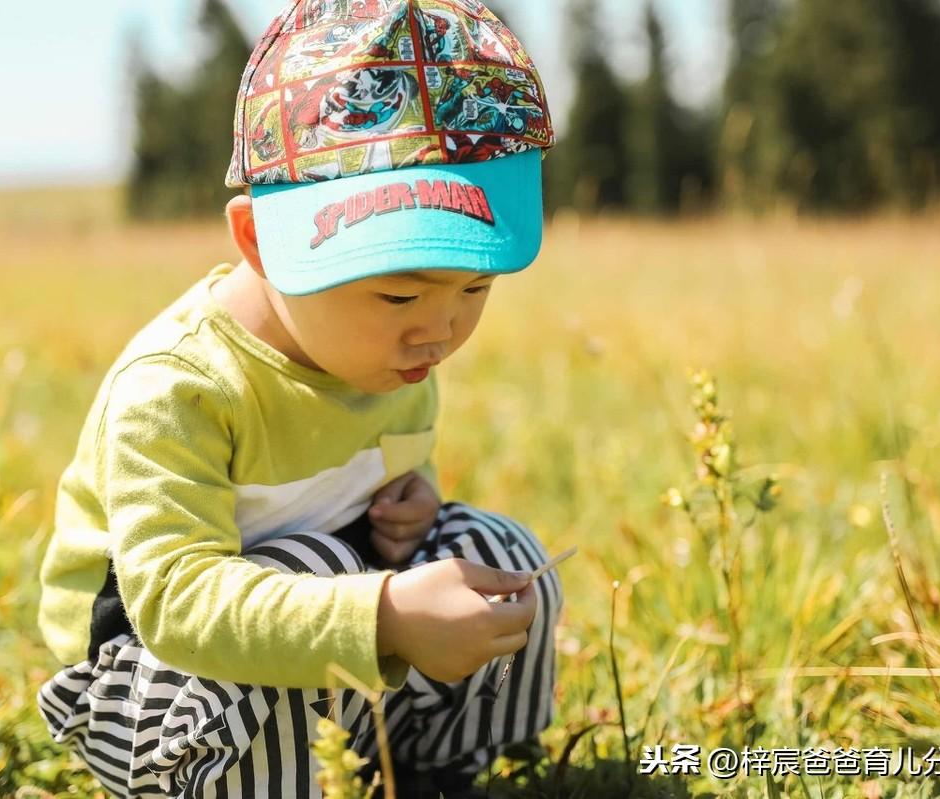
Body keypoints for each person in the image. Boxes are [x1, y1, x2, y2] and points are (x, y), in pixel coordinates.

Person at [35, 1, 562, 796]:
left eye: (475, 286)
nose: (440, 332)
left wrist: (409, 514)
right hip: (150, 685)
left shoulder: (395, 360)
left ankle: (429, 772)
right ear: (258, 241)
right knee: (312, 564)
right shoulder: (179, 386)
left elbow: (359, 502)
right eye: (396, 297)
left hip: (323, 650)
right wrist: (383, 612)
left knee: (499, 553)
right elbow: (177, 603)